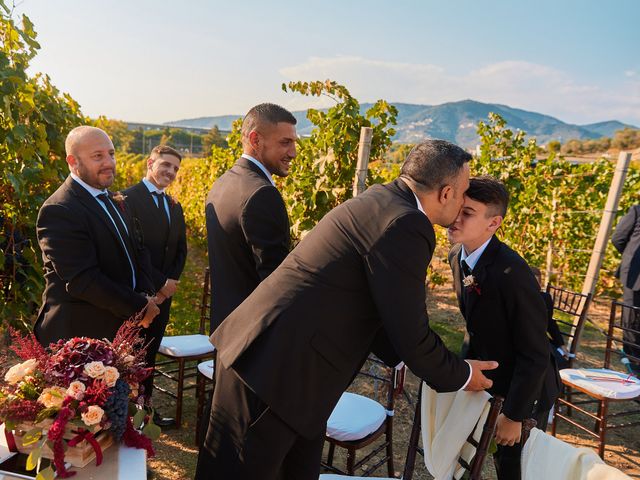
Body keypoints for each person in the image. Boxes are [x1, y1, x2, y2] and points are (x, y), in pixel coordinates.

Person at [196, 140, 498, 480]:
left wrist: (398, 356)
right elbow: (411, 331)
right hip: (274, 374)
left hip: (288, 373)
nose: (462, 205)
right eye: (463, 193)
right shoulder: (407, 224)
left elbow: (374, 303)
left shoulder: (381, 199)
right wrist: (462, 374)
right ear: (445, 193)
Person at [447, 175, 560, 480]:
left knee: (513, 465)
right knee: (469, 449)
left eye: (467, 213)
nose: (455, 218)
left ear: (493, 223)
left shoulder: (513, 273)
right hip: (487, 377)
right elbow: (475, 325)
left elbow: (535, 354)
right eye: (457, 207)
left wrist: (514, 415)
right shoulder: (455, 257)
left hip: (525, 386)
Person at [34, 126, 159, 346]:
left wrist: (146, 295)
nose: (109, 163)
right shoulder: (60, 209)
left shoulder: (115, 199)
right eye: (97, 156)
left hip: (121, 328)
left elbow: (139, 251)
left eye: (111, 154)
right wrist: (139, 307)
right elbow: (84, 280)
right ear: (73, 162)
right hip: (78, 337)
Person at [205, 103, 295, 332]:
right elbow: (275, 281)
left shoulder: (222, 183)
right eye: (285, 142)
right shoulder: (261, 194)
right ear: (255, 140)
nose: (293, 152)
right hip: (252, 337)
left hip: (225, 330)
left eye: (294, 143)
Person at [123, 145, 187, 425]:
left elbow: (181, 250)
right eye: (166, 165)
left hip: (164, 296)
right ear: (150, 162)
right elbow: (134, 247)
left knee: (149, 353)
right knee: (128, 355)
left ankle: (145, 411)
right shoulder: (127, 198)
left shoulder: (175, 206)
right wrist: (159, 284)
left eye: (175, 168)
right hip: (137, 293)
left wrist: (170, 284)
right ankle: (123, 412)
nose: (170, 172)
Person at [611, 204, 640, 374]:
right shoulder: (637, 211)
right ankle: (631, 359)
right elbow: (618, 238)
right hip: (634, 274)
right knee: (630, 315)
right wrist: (632, 259)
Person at [530, 266, 571, 370]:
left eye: (536, 283)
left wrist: (560, 344)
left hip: (541, 340)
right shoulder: (516, 297)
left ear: (540, 284)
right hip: (522, 340)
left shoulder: (545, 298)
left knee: (560, 363)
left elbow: (550, 323)